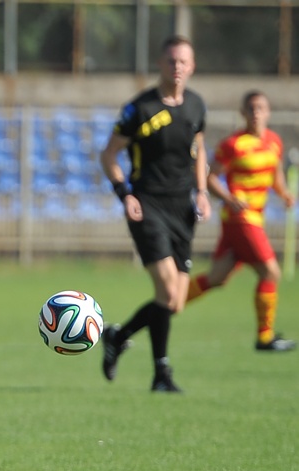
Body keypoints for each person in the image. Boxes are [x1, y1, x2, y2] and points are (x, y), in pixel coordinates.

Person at [99, 35, 211, 392]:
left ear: (192, 67)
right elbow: (109, 154)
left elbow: (200, 150)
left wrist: (203, 192)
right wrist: (124, 194)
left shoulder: (196, 106)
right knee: (165, 289)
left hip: (183, 210)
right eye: (171, 61)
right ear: (160, 65)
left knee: (175, 302)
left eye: (183, 62)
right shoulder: (139, 108)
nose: (177, 67)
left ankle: (118, 335)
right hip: (147, 206)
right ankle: (161, 373)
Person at [186, 91, 296, 352]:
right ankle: (265, 337)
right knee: (271, 272)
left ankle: (167, 305)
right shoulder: (233, 144)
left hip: (255, 219)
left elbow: (275, 175)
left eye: (261, 108)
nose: (256, 113)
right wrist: (228, 197)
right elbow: (210, 177)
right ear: (243, 113)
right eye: (251, 108)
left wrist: (284, 194)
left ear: (268, 112)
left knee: (217, 277)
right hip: (241, 220)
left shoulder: (274, 142)